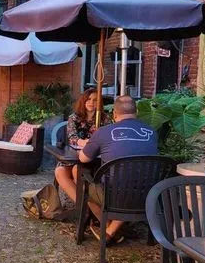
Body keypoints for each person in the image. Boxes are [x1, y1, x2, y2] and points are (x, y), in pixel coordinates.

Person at [79, 95, 159, 243]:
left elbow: (84, 159)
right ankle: (112, 230)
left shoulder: (103, 132)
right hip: (147, 193)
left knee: (86, 188)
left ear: (114, 114)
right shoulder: (152, 132)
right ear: (136, 112)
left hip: (114, 196)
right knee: (131, 183)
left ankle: (108, 229)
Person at [54, 89, 111, 204]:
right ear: (83, 101)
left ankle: (89, 206)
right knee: (60, 171)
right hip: (74, 156)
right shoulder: (74, 117)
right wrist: (85, 142)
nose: (91, 102)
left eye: (95, 100)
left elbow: (109, 138)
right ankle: (82, 206)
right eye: (88, 99)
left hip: (94, 159)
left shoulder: (104, 119)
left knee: (77, 170)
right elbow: (72, 137)